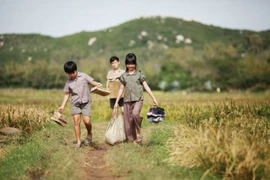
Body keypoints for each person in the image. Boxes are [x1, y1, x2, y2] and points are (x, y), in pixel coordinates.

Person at [114, 53, 158, 143]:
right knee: (128, 122)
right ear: (126, 64)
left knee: (135, 114)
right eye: (129, 64)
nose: (130, 66)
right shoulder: (124, 76)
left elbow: (146, 86)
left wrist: (153, 98)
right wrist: (116, 102)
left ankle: (138, 133)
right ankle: (132, 140)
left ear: (135, 63)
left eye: (132, 63)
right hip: (127, 100)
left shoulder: (140, 74)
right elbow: (121, 89)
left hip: (138, 99)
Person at [58, 61, 102, 148]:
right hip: (75, 103)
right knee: (76, 121)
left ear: (76, 70)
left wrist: (97, 84)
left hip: (86, 102)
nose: (71, 75)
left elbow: (92, 82)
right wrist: (62, 106)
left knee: (87, 121)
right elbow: (67, 94)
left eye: (73, 73)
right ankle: (78, 142)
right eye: (69, 74)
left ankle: (89, 133)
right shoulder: (68, 82)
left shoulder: (84, 76)